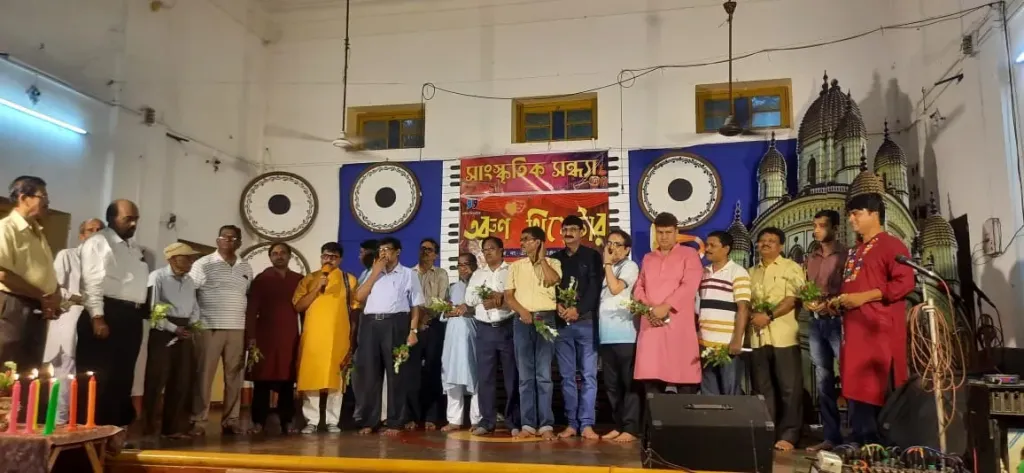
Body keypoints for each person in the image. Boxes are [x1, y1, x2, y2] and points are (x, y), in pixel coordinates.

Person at [834, 193, 914, 445]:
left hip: (879, 333)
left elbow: (905, 283)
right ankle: (861, 444)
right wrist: (838, 302)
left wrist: (863, 297)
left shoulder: (892, 245)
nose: (851, 219)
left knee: (876, 387)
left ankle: (880, 447)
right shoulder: (854, 251)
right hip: (853, 332)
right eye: (850, 214)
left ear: (874, 214)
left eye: (856, 213)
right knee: (855, 385)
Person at [77, 199, 149, 427]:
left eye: (136, 219)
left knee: (123, 376)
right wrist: (97, 317)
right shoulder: (99, 242)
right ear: (111, 218)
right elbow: (92, 281)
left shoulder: (133, 248)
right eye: (128, 219)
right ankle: (90, 430)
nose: (133, 224)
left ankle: (115, 430)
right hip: (107, 313)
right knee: (99, 377)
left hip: (130, 316)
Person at [0, 176, 61, 424]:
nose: (47, 202)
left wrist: (54, 296)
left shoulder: (37, 231)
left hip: (36, 306)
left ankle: (22, 426)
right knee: (8, 366)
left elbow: (43, 272)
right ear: (23, 198)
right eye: (42, 196)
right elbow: (3, 273)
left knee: (30, 369)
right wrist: (42, 296)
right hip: (13, 304)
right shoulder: (6, 228)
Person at [352, 237, 423, 436]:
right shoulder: (371, 273)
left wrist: (413, 331)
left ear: (397, 251)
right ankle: (369, 420)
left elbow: (415, 306)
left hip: (395, 323)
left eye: (387, 249)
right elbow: (358, 297)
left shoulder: (408, 274)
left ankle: (395, 421)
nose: (384, 253)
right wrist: (375, 272)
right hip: (370, 324)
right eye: (381, 250)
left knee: (396, 374)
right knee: (370, 373)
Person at [189, 225, 253, 436]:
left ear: (239, 242)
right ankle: (199, 420)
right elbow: (191, 293)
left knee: (234, 377)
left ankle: (231, 420)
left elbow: (247, 295)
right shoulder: (203, 264)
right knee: (204, 376)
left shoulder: (245, 266)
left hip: (237, 328)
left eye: (233, 238)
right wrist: (195, 322)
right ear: (217, 240)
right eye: (224, 237)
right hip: (209, 327)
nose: (229, 241)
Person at [631, 212, 703, 394]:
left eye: (668, 232)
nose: (664, 237)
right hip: (651, 326)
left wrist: (666, 307)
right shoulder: (648, 258)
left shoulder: (689, 254)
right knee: (651, 386)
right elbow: (639, 286)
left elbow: (690, 285)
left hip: (678, 326)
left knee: (684, 382)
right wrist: (648, 309)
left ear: (676, 232)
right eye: (660, 232)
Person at [748, 226, 805, 452]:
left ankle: (790, 435)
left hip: (784, 336)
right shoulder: (751, 272)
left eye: (771, 240)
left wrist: (769, 315)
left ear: (781, 246)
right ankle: (765, 431)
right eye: (762, 240)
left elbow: (793, 299)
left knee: (789, 388)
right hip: (757, 338)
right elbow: (745, 302)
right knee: (762, 388)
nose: (765, 244)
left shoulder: (791, 267)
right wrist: (753, 316)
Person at [294, 242, 359, 434]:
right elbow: (298, 306)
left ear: (340, 259)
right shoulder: (309, 279)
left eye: (333, 257)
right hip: (313, 336)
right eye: (325, 256)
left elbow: (355, 309)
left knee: (336, 380)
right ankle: (311, 421)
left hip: (338, 335)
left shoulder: (349, 280)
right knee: (311, 376)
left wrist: (352, 336)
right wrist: (317, 288)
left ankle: (332, 420)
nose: (328, 260)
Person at [504, 226, 562, 440]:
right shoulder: (515, 266)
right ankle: (528, 425)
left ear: (538, 242)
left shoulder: (553, 262)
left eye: (527, 239)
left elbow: (553, 280)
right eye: (521, 240)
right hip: (522, 320)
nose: (522, 243)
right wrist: (522, 312)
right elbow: (509, 296)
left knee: (544, 375)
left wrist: (542, 259)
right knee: (526, 376)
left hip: (546, 318)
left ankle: (546, 425)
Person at [45, 218, 103, 424]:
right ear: (81, 235)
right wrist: (82, 298)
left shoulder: (107, 264)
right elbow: (55, 288)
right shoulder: (67, 255)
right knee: (65, 374)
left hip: (94, 323)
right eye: (90, 230)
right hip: (70, 321)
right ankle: (58, 422)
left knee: (90, 374)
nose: (95, 234)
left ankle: (83, 423)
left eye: (99, 230)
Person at [142, 242, 201, 438]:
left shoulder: (190, 281)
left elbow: (194, 306)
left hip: (185, 330)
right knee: (157, 379)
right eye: (187, 258)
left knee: (182, 380)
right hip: (163, 331)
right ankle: (149, 428)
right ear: (173, 259)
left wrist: (192, 325)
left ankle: (173, 428)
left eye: (192, 258)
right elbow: (153, 309)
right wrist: (174, 328)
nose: (191, 261)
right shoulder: (157, 277)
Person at [551, 215, 602, 439]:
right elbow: (550, 288)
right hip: (562, 324)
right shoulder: (555, 259)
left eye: (573, 229)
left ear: (582, 232)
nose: (568, 232)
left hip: (586, 322)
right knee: (567, 376)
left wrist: (578, 310)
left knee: (589, 375)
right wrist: (557, 306)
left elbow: (594, 288)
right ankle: (572, 423)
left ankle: (587, 424)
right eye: (565, 229)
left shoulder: (592, 256)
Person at [246, 242, 303, 435]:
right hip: (265, 336)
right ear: (270, 257)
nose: (279, 256)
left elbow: (304, 310)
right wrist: (251, 337)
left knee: (287, 380)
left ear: (289, 256)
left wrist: (306, 335)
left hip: (289, 336)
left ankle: (287, 420)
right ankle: (258, 421)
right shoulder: (261, 280)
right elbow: (251, 310)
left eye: (283, 253)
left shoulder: (298, 280)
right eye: (275, 253)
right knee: (261, 381)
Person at [466, 236, 520, 437]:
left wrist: (502, 297)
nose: (487, 252)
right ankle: (487, 421)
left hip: (508, 327)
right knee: (485, 377)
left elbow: (519, 296)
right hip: (485, 329)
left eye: (491, 248)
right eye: (484, 249)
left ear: (501, 250)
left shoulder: (512, 271)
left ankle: (513, 421)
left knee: (512, 377)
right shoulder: (478, 274)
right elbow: (469, 299)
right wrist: (487, 295)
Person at [803, 210, 847, 452]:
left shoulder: (846, 255)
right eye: (815, 225)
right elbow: (807, 288)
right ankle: (831, 437)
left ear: (835, 228)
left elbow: (849, 287)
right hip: (816, 322)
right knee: (823, 380)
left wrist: (832, 303)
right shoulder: (811, 258)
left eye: (822, 226)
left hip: (839, 322)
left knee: (849, 376)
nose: (816, 230)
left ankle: (860, 435)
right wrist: (808, 301)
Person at [597, 229, 641, 443]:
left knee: (628, 384)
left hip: (626, 336)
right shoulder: (608, 269)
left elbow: (615, 289)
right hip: (606, 336)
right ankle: (618, 424)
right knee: (612, 385)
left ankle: (631, 428)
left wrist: (606, 264)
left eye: (617, 244)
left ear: (627, 249)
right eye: (609, 243)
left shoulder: (630, 267)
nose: (611, 247)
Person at [698, 231, 751, 396]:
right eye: (707, 245)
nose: (707, 249)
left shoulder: (738, 272)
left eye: (712, 245)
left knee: (730, 394)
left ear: (726, 249)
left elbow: (743, 308)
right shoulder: (703, 272)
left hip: (727, 345)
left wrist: (737, 339)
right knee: (709, 394)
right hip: (704, 344)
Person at [406, 237, 449, 430]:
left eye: (429, 250)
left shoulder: (441, 274)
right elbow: (406, 300)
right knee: (411, 372)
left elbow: (441, 301)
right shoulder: (409, 273)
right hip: (413, 327)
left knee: (433, 370)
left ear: (436, 255)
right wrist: (418, 317)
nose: (425, 252)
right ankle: (411, 416)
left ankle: (432, 417)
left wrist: (424, 314)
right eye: (422, 248)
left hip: (433, 325)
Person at [438, 253, 481, 432]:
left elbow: (486, 310)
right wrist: (447, 311)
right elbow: (443, 311)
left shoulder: (481, 286)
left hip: (473, 335)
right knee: (452, 375)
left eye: (466, 264)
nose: (463, 269)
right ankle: (454, 420)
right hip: (452, 337)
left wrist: (469, 309)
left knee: (475, 375)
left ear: (475, 265)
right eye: (460, 265)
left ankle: (477, 419)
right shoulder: (453, 287)